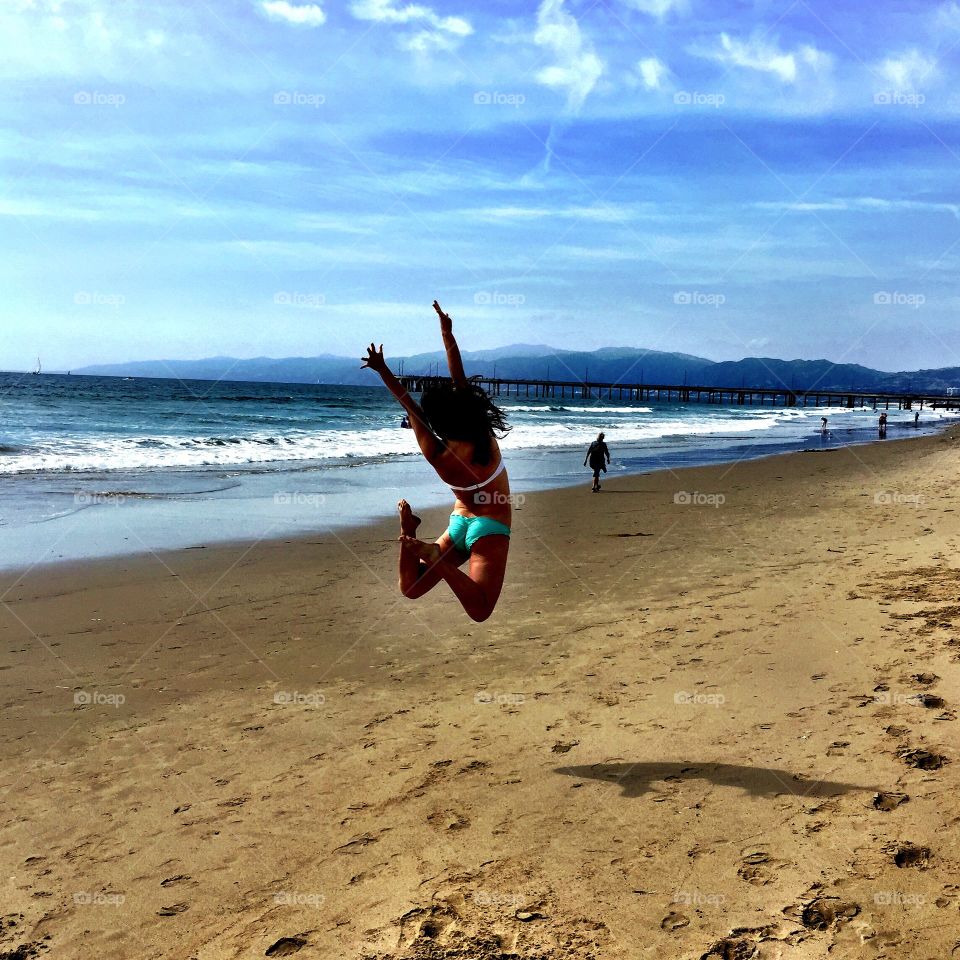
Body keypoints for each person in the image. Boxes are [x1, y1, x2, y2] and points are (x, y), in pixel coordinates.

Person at [361, 301, 511, 623]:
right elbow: (459, 379)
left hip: (460, 523)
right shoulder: (481, 432)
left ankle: (408, 530)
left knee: (410, 588)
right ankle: (433, 556)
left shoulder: (436, 452)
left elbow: (408, 403)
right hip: (491, 524)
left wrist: (383, 369)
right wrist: (447, 334)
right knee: (481, 609)